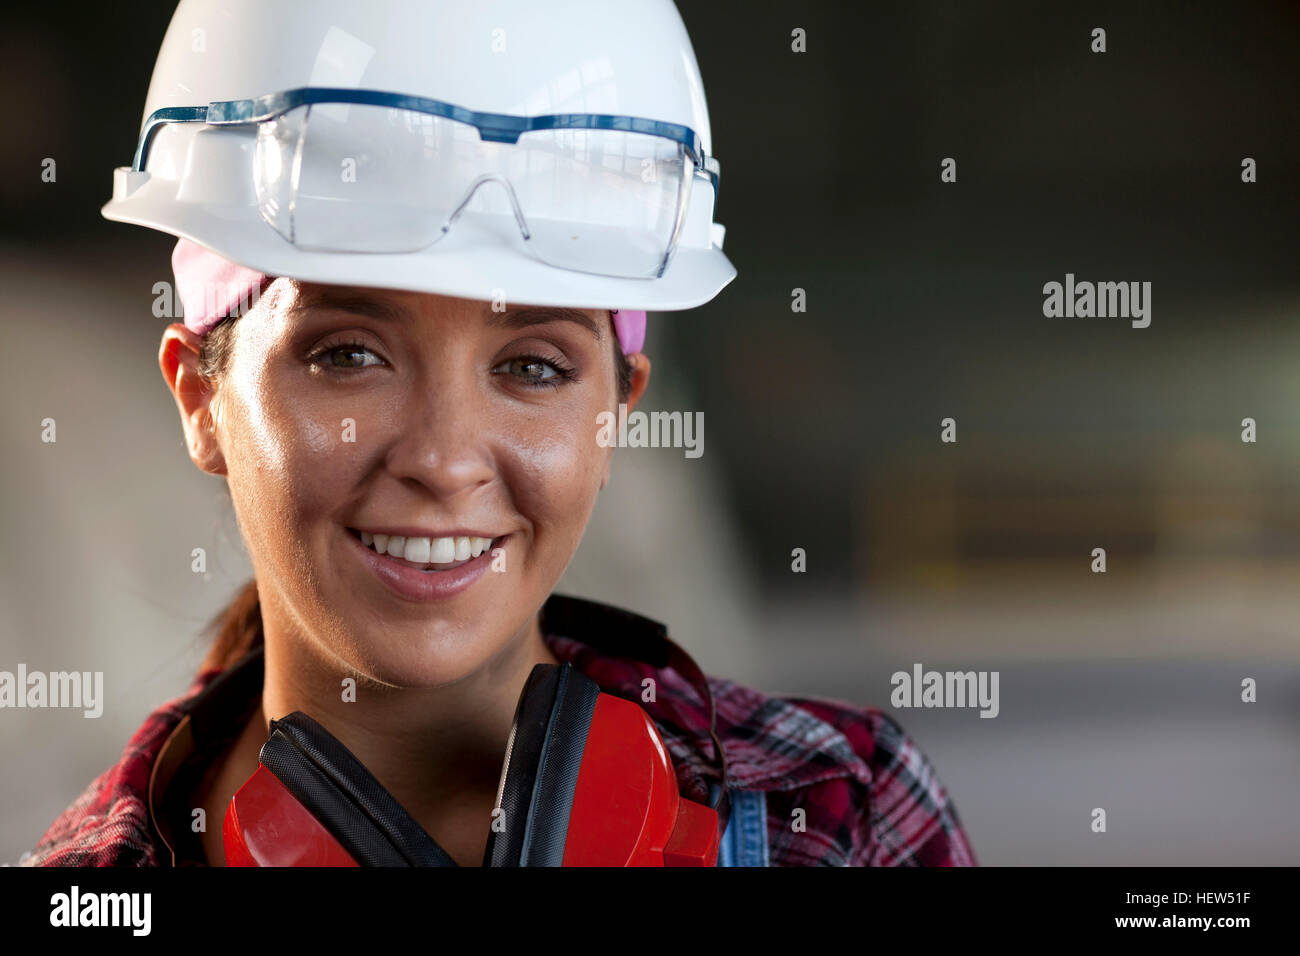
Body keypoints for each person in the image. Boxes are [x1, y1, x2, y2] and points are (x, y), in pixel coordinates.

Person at [22, 0, 976, 867]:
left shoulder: (842, 814)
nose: (442, 459)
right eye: (349, 355)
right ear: (201, 399)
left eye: (532, 368)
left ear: (614, 415)